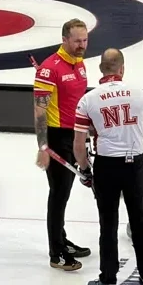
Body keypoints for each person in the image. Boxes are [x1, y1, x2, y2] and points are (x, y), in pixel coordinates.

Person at [71, 48, 143, 285]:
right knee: (139, 220)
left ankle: (108, 278)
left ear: (101, 69)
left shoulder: (88, 100)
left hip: (106, 166)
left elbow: (78, 145)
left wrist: (85, 171)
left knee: (108, 224)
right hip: (135, 165)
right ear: (122, 69)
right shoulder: (141, 95)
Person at [33, 18, 92, 271]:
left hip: (75, 136)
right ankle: (56, 252)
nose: (82, 45)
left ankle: (62, 240)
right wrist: (43, 146)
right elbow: (39, 111)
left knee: (64, 193)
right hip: (57, 137)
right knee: (58, 194)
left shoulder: (79, 63)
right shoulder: (49, 69)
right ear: (64, 40)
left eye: (85, 40)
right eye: (77, 41)